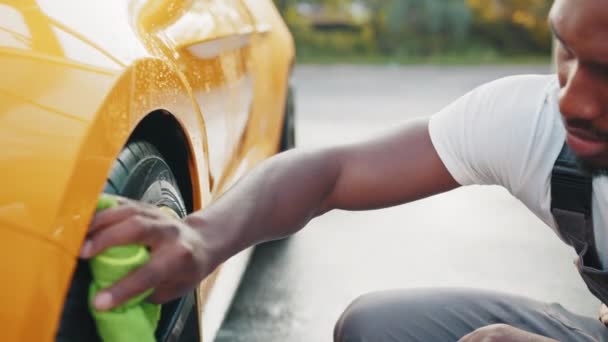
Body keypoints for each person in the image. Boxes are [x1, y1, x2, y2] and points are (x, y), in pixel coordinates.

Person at [79, 0, 608, 340]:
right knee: (375, 330)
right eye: (566, 49)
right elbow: (331, 174)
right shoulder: (535, 123)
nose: (574, 100)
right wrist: (202, 236)